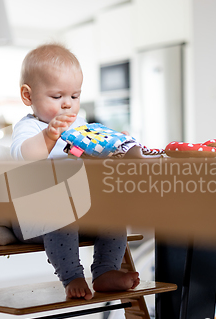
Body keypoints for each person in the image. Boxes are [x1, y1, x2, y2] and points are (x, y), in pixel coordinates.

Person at [10, 43, 140, 300]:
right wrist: (49, 135)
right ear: (28, 96)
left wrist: (114, 147)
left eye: (75, 96)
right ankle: (72, 276)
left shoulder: (79, 127)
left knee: (113, 211)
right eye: (57, 97)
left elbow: (82, 157)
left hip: (81, 212)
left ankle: (105, 271)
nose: (68, 105)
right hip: (33, 217)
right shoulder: (30, 129)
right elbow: (25, 157)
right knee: (62, 207)